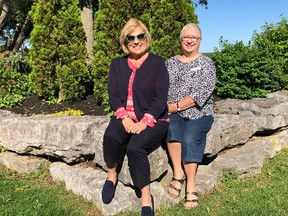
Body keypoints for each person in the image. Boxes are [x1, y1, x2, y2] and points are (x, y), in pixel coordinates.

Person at [101, 18, 169, 216]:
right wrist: (124, 118)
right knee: (112, 137)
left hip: (155, 119)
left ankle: (146, 196)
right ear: (125, 41)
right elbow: (113, 94)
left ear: (147, 38)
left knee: (135, 147)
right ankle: (112, 174)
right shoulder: (117, 64)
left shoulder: (157, 63)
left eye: (141, 36)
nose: (136, 41)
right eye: (131, 37)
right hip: (126, 116)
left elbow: (161, 97)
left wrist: (145, 122)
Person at [165, 23, 216, 209]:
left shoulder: (207, 64)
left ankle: (191, 183)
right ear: (181, 40)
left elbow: (200, 94)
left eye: (194, 37)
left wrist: (174, 106)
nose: (189, 40)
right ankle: (178, 173)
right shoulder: (169, 62)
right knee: (172, 129)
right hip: (173, 111)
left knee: (189, 138)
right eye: (186, 37)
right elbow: (160, 85)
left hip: (200, 112)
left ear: (200, 41)